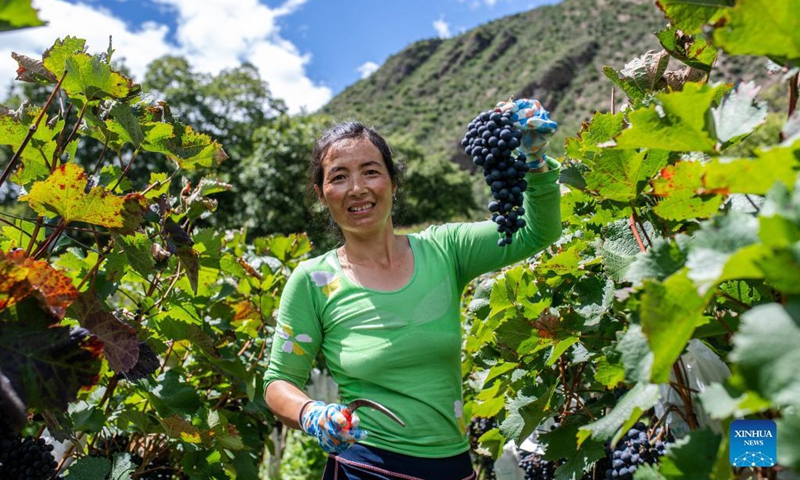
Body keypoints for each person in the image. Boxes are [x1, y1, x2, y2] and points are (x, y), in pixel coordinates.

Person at [264, 99, 562, 480]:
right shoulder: (313, 281)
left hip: (454, 467)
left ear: (393, 181)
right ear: (322, 195)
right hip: (364, 467)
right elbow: (279, 382)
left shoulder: (446, 250)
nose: (357, 188)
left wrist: (535, 163)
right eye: (338, 177)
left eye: (370, 172)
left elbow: (538, 231)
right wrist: (311, 414)